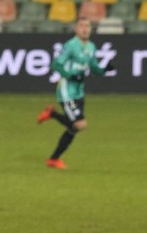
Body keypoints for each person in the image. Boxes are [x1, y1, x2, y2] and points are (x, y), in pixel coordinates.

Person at [37, 16, 112, 170]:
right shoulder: (70, 46)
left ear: (91, 29)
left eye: (87, 26)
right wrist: (70, 75)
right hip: (67, 92)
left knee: (75, 127)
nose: (85, 29)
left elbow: (94, 66)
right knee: (79, 124)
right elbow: (56, 64)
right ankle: (53, 157)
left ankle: (52, 118)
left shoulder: (91, 46)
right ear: (76, 29)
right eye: (81, 26)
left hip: (79, 92)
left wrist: (104, 70)